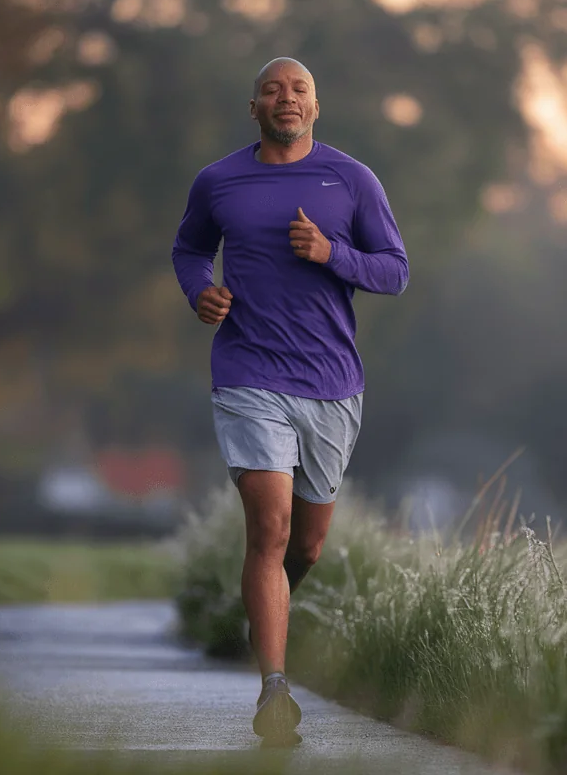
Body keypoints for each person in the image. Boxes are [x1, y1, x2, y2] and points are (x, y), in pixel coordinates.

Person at [171, 57, 409, 743]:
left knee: (307, 544)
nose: (286, 97)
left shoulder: (352, 180)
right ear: (255, 108)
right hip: (248, 372)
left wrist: (332, 253)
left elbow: (394, 271)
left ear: (315, 105)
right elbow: (189, 249)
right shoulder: (218, 180)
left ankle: (266, 605)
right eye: (273, 89)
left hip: (333, 383)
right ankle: (275, 691)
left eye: (299, 88)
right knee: (269, 529)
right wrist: (200, 290)